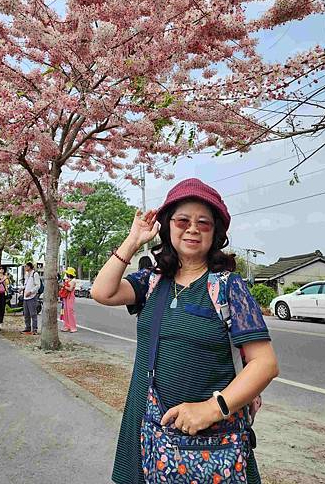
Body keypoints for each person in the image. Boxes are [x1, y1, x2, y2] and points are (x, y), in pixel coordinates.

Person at [92, 178, 279, 484]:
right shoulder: (152, 281)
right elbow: (103, 292)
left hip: (208, 440)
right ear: (168, 227)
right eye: (182, 220)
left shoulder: (228, 286)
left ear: (215, 233)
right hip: (145, 428)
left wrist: (211, 409)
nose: (192, 228)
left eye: (203, 223)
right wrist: (133, 239)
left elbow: (265, 364)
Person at [21, 262, 41, 335]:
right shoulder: (27, 274)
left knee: (33, 313)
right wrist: (22, 288)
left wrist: (31, 291)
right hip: (25, 297)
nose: (25, 268)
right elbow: (26, 284)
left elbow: (38, 285)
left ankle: (35, 329)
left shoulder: (34, 274)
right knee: (26, 313)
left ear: (29, 267)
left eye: (26, 266)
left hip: (32, 296)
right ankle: (27, 327)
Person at [59, 267, 78, 333]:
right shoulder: (68, 280)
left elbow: (70, 289)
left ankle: (73, 327)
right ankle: (67, 326)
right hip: (66, 297)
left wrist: (64, 286)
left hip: (70, 297)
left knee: (70, 311)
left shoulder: (73, 281)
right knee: (65, 312)